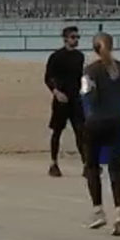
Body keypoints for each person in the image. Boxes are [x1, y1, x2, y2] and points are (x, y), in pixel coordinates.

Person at [80, 32, 120, 236]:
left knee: (92, 167)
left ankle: (98, 211)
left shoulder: (90, 71)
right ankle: (119, 213)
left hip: (95, 122)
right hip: (117, 122)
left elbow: (88, 97)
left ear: (95, 49)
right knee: (116, 169)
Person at [44, 26, 87, 177]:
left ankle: (86, 164)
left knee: (81, 132)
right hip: (61, 99)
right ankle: (53, 163)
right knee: (57, 132)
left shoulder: (79, 56)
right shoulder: (56, 56)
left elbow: (81, 76)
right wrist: (56, 92)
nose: (76, 40)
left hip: (76, 98)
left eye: (77, 37)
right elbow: (48, 77)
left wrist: (85, 90)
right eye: (73, 37)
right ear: (65, 39)